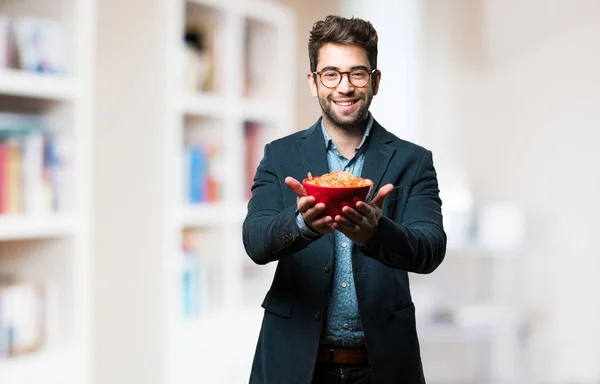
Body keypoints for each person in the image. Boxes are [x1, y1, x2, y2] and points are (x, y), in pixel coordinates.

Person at [242, 15, 446, 384]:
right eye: (331, 74)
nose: (344, 87)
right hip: (292, 363)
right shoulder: (279, 155)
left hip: (383, 365)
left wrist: (378, 232)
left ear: (375, 81)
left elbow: (431, 249)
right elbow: (255, 242)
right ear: (313, 82)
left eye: (357, 73)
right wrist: (302, 224)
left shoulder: (413, 161)